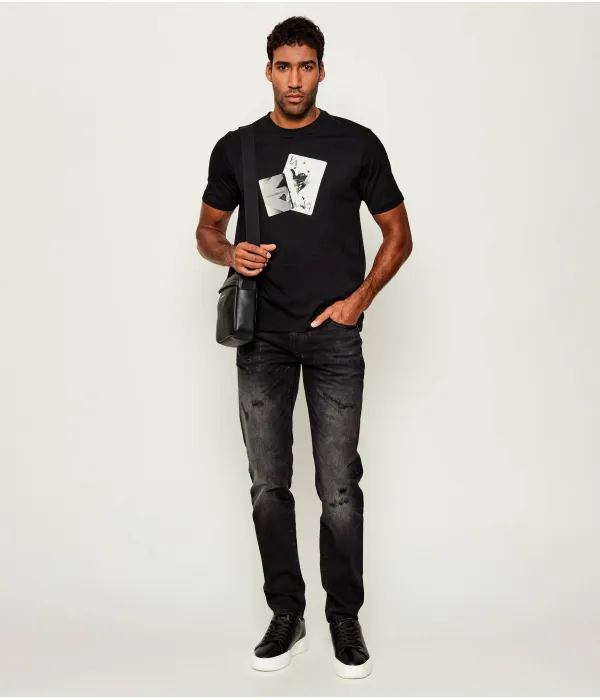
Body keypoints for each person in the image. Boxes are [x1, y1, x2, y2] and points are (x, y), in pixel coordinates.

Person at [196, 15, 413, 679]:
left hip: (333, 338)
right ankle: (286, 614)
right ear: (268, 70)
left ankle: (343, 617)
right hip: (261, 337)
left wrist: (359, 300)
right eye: (284, 66)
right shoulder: (238, 148)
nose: (295, 79)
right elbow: (206, 231)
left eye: (306, 66)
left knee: (338, 485)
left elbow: (399, 235)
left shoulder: (356, 145)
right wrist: (229, 252)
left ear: (322, 70)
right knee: (269, 485)